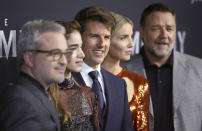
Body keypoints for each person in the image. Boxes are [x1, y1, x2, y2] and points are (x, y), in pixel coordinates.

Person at [121, 3, 202, 131]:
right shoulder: (121, 72)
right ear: (142, 32)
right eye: (156, 29)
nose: (164, 35)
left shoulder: (199, 69)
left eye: (169, 29)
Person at [0, 20, 70, 131]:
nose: (64, 61)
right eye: (55, 53)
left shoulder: (34, 94)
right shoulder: (20, 102)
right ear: (29, 58)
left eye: (65, 53)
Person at [72, 6, 133, 131]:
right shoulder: (62, 81)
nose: (101, 44)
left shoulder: (119, 85)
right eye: (94, 36)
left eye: (106, 37)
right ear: (79, 38)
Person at [102, 11, 149, 131]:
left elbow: (143, 128)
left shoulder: (139, 82)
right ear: (106, 39)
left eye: (131, 36)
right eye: (123, 38)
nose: (131, 44)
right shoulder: (87, 78)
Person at [48, 20, 99, 131]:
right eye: (73, 48)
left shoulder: (89, 94)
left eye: (80, 47)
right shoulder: (42, 97)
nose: (82, 54)